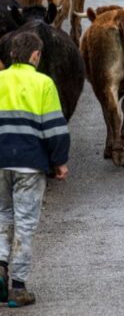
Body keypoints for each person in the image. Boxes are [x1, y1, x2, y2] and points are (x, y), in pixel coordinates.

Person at [0, 31, 69, 308]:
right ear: (35, 55)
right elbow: (54, 128)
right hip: (29, 164)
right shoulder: (43, 83)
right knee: (25, 224)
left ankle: (0, 269)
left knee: (2, 217)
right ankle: (18, 287)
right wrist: (59, 161)